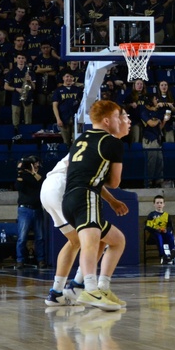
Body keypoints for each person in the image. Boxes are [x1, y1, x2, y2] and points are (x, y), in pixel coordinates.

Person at [61, 100, 131, 311]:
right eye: (119, 117)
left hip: (69, 199)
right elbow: (115, 182)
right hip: (86, 197)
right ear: (108, 120)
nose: (121, 120)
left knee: (116, 240)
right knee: (90, 242)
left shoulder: (80, 139)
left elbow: (87, 173)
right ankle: (90, 288)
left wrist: (111, 200)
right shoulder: (112, 142)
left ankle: (102, 287)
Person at [42, 154, 128, 306]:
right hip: (65, 186)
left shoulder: (84, 143)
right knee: (101, 236)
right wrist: (112, 200)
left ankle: (56, 293)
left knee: (75, 241)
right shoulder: (101, 145)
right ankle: (79, 285)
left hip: (47, 189)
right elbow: (97, 180)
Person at [15, 155, 46, 270]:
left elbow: (40, 182)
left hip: (37, 208)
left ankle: (41, 260)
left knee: (40, 236)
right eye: (34, 164)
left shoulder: (38, 177)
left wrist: (33, 172)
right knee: (22, 237)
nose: (36, 166)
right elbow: (18, 186)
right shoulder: (22, 175)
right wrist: (20, 171)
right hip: (25, 209)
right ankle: (20, 260)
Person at [145, 195, 175, 264]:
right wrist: (156, 229)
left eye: (161, 203)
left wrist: (167, 230)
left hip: (164, 233)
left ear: (164, 204)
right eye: (157, 203)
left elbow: (170, 226)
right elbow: (147, 226)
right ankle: (162, 254)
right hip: (154, 234)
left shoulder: (167, 215)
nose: (159, 204)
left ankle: (173, 251)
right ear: (154, 204)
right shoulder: (151, 215)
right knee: (158, 236)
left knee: (170, 235)